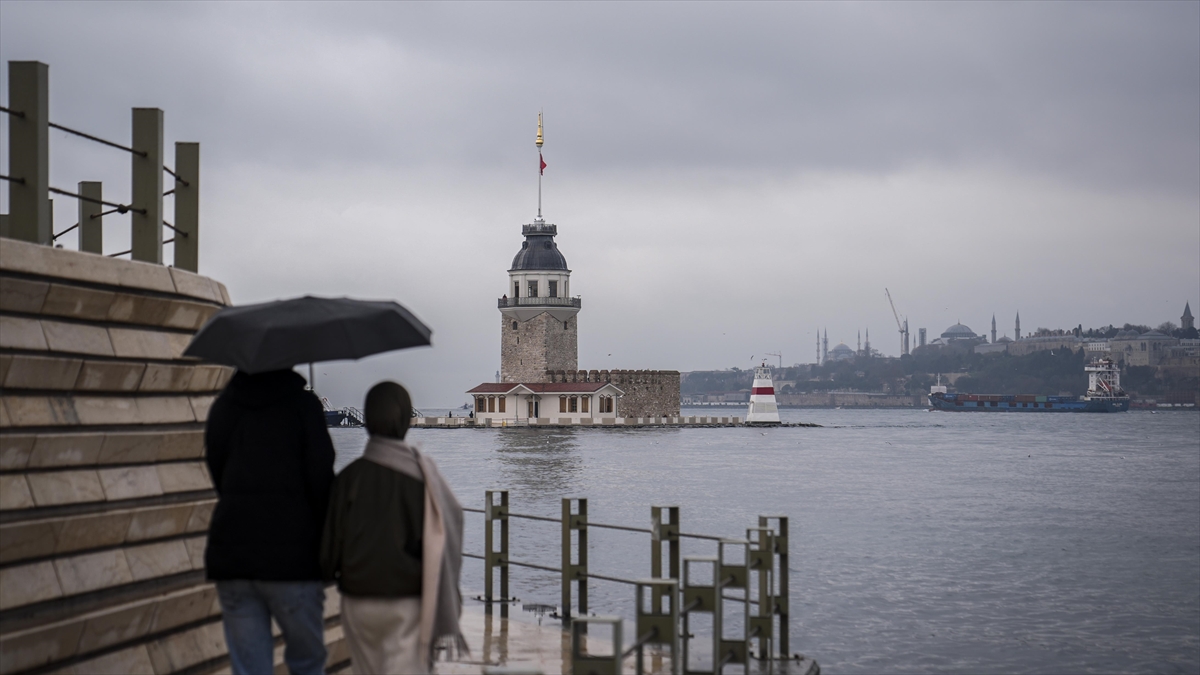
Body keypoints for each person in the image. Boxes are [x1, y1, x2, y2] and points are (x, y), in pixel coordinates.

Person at [321, 382, 466, 675]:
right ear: (406, 421)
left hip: (357, 601)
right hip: (406, 602)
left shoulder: (348, 479)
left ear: (367, 420)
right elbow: (446, 533)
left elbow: (328, 552)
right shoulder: (422, 479)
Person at [204, 369, 335, 675]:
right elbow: (322, 478)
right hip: (293, 558)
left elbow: (218, 471)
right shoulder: (303, 406)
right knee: (307, 662)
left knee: (249, 667)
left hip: (232, 555)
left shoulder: (224, 406)